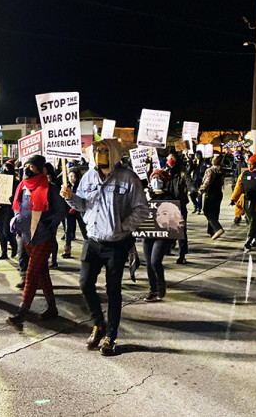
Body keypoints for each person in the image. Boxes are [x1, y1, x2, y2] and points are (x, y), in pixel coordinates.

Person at [60, 139, 149, 356]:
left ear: (114, 153)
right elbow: (83, 205)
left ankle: (111, 335)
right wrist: (71, 198)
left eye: (103, 150)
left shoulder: (128, 178)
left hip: (116, 244)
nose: (99, 153)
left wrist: (122, 227)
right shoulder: (88, 176)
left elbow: (142, 209)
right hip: (93, 242)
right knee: (85, 284)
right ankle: (98, 324)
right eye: (97, 150)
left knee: (113, 291)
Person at [6, 155, 67, 331]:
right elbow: (18, 206)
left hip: (43, 237)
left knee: (31, 275)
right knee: (42, 274)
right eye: (25, 165)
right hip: (26, 237)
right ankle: (52, 308)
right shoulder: (22, 187)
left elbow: (61, 211)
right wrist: (17, 220)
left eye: (31, 166)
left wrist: (47, 224)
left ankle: (21, 314)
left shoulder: (50, 188)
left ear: (40, 169)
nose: (27, 169)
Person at [143, 169, 178, 302]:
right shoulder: (146, 195)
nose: (155, 180)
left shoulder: (169, 197)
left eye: (158, 178)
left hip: (162, 235)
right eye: (153, 178)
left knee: (155, 261)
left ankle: (160, 285)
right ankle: (152, 290)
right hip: (148, 234)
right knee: (148, 264)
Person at [231, 153, 256, 251]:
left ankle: (249, 240)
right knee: (250, 220)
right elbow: (238, 187)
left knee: (254, 220)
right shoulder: (244, 174)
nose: (249, 166)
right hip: (246, 200)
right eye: (248, 164)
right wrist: (234, 198)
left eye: (252, 164)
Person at [165, 153, 189, 264]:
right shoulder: (165, 173)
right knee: (169, 228)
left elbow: (189, 183)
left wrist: (195, 190)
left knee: (181, 232)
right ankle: (168, 246)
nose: (170, 161)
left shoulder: (183, 174)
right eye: (168, 159)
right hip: (169, 206)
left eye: (171, 158)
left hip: (180, 206)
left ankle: (182, 254)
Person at [62, 167, 87, 258]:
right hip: (69, 213)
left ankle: (88, 248)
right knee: (68, 230)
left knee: (84, 230)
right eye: (70, 175)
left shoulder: (81, 186)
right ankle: (67, 248)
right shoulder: (66, 186)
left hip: (79, 212)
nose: (71, 177)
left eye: (73, 176)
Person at [0, 162, 19, 260]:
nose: (6, 171)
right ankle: (4, 252)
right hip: (0, 207)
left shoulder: (16, 182)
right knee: (0, 230)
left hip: (9, 208)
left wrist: (12, 199)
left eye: (8, 169)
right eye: (4, 169)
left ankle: (14, 245)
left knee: (6, 231)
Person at [199, 154, 225, 240]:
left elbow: (207, 181)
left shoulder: (210, 170)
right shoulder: (222, 170)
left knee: (207, 211)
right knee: (215, 212)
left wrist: (201, 190)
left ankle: (217, 228)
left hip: (210, 193)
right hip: (219, 193)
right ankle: (211, 231)